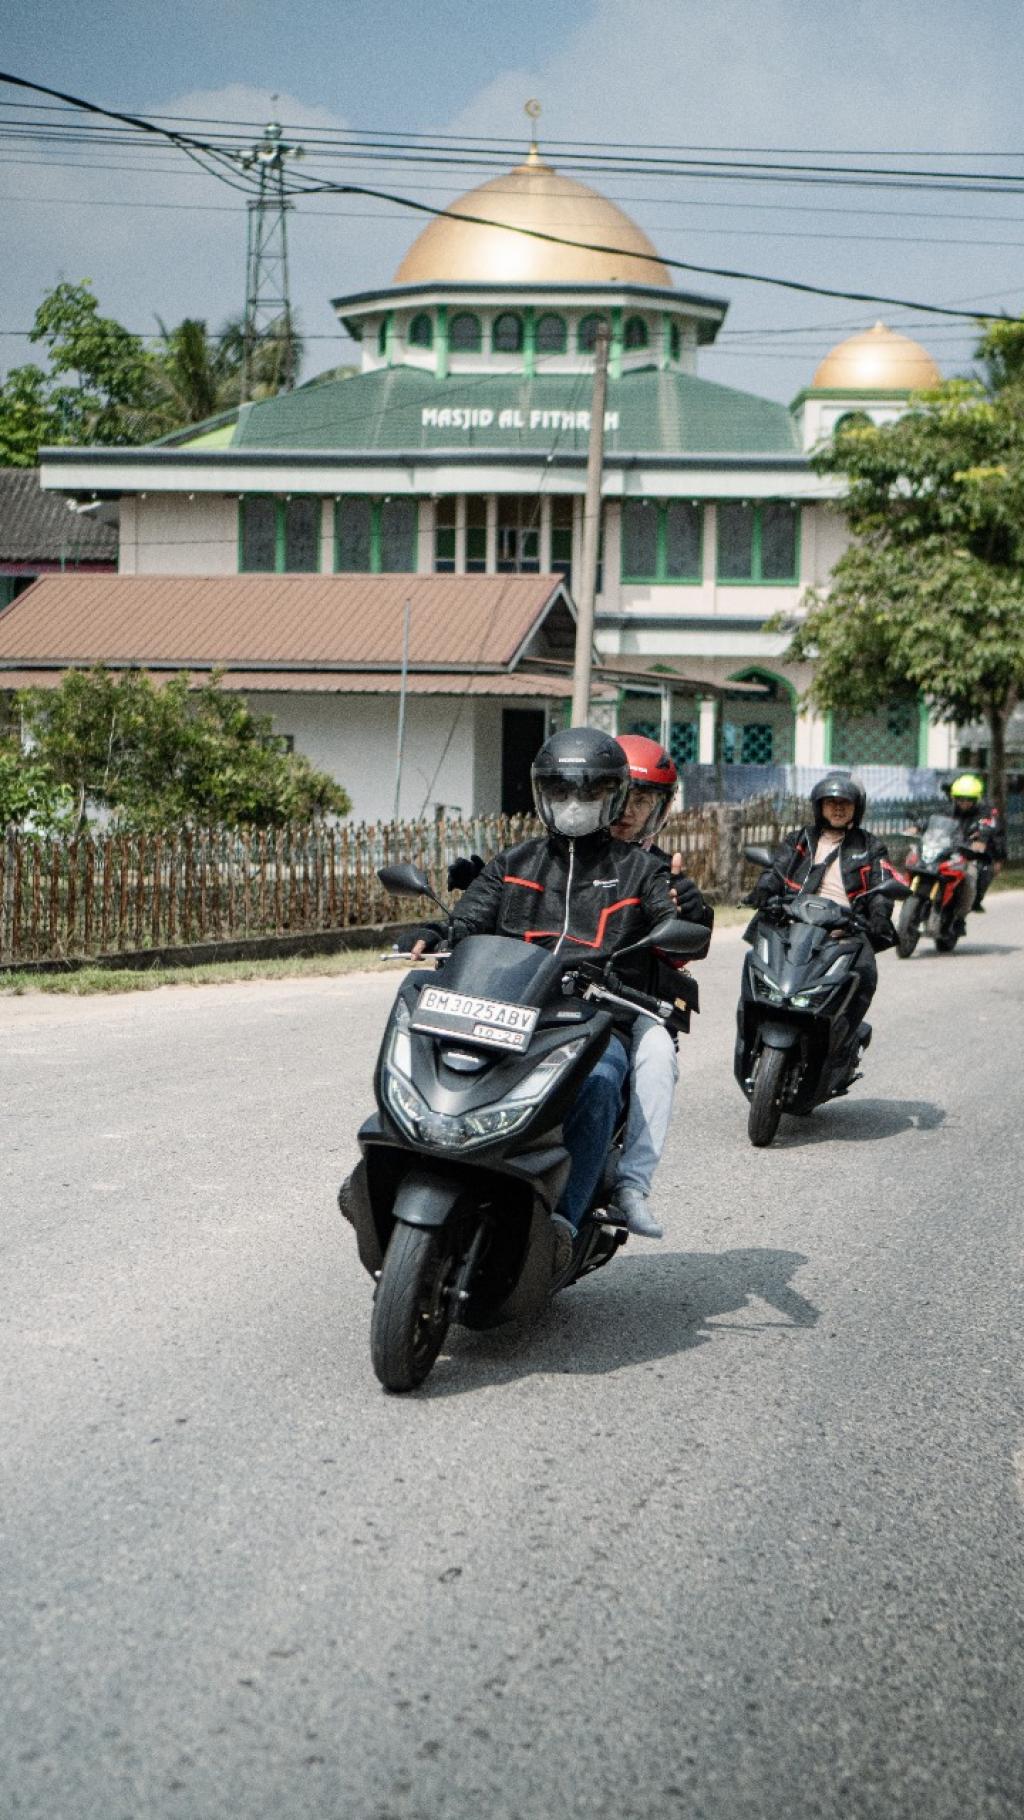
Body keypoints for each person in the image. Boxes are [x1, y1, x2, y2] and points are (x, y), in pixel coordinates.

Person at [403, 727, 688, 1247]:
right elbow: (466, 921)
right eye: (561, 792)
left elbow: (678, 928)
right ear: (542, 796)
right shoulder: (514, 863)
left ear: (615, 796)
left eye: (591, 793)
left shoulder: (642, 870)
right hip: (508, 1005)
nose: (575, 804)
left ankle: (566, 1223)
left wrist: (683, 919)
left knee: (602, 1079)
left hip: (589, 1018)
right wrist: (432, 932)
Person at [606, 735, 713, 1240]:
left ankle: (631, 1187)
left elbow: (684, 945)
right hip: (547, 993)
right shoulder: (560, 854)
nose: (628, 811)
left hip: (626, 1002)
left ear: (660, 809)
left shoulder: (660, 873)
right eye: (620, 795)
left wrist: (690, 909)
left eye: (642, 799)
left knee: (656, 1057)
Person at [746, 773, 900, 1078]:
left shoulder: (870, 846)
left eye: (845, 803)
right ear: (820, 807)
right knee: (759, 968)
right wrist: (763, 892)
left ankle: (843, 1042)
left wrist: (877, 916)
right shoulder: (799, 840)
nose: (838, 809)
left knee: (863, 975)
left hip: (844, 926)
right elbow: (776, 871)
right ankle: (752, 1029)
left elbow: (882, 886)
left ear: (857, 807)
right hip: (794, 920)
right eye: (831, 803)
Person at [943, 772, 1006, 928]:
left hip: (972, 855)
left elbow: (990, 828)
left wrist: (983, 842)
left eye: (968, 800)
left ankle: (962, 913)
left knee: (974, 874)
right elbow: (937, 822)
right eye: (960, 799)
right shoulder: (950, 810)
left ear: (975, 799)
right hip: (949, 850)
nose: (963, 803)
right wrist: (920, 827)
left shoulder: (986, 812)